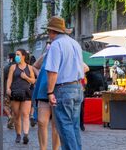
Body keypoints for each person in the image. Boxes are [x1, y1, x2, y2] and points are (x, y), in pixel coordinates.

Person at [44, 16, 85, 150]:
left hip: (64, 89)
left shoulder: (56, 45)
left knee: (65, 126)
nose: (48, 34)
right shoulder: (75, 43)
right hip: (78, 87)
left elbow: (53, 71)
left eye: (48, 31)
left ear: (52, 31)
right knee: (74, 126)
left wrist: (50, 92)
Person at [33, 41, 60, 150]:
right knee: (41, 122)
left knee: (55, 125)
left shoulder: (63, 53)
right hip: (43, 91)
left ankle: (55, 149)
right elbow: (34, 66)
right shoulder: (45, 56)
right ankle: (42, 148)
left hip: (57, 92)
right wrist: (40, 76)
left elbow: (85, 67)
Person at [6, 48, 36, 144]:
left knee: (25, 114)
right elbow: (9, 79)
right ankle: (18, 134)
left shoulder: (29, 67)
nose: (16, 56)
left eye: (18, 54)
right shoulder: (13, 67)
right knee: (16, 115)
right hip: (15, 93)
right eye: (16, 55)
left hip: (26, 93)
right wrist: (8, 89)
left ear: (23, 56)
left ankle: (25, 135)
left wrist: (26, 77)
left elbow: (33, 80)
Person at [2, 52, 15, 129]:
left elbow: (2, 79)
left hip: (8, 89)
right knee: (13, 107)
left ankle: (10, 117)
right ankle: (11, 123)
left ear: (10, 58)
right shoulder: (18, 66)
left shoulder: (7, 67)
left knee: (5, 106)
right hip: (16, 90)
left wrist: (2, 90)